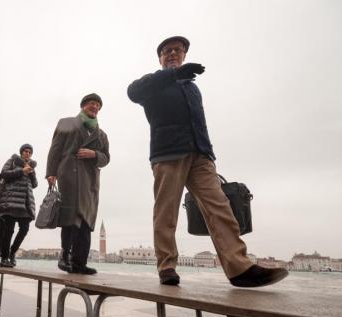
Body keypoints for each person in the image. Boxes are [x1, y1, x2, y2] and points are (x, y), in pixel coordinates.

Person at [127, 36, 288, 287]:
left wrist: (208, 153)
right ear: (159, 58)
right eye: (167, 51)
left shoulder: (192, 87)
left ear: (184, 55)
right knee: (166, 212)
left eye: (178, 51)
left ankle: (239, 267)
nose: (172, 54)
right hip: (168, 153)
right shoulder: (152, 85)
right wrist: (173, 74)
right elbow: (132, 91)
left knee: (220, 206)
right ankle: (166, 265)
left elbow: (198, 122)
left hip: (200, 155)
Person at [46, 94, 110, 275]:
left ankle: (80, 263)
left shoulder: (102, 134)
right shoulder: (67, 123)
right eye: (91, 103)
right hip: (69, 175)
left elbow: (106, 158)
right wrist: (51, 173)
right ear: (83, 105)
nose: (95, 107)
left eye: (98, 105)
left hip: (90, 181)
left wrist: (94, 155)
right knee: (70, 217)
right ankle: (64, 256)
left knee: (86, 221)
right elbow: (55, 149)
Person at [0, 144, 38, 267]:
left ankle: (12, 253)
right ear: (21, 152)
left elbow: (35, 184)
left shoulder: (31, 166)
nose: (27, 153)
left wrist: (30, 173)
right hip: (11, 200)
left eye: (30, 152)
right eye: (25, 151)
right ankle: (4, 258)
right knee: (8, 230)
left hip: (25, 202)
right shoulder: (13, 160)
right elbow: (3, 173)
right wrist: (21, 171)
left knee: (24, 229)